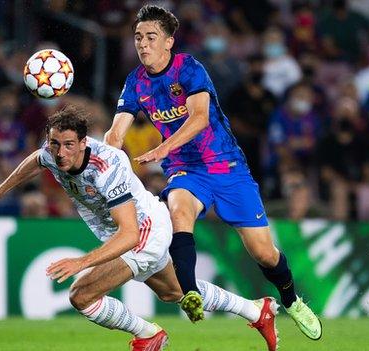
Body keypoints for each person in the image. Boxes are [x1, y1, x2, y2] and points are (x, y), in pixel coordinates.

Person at [0, 108, 279, 351]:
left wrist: (81, 262)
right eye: (55, 144)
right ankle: (257, 311)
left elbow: (130, 235)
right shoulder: (54, 153)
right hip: (129, 230)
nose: (60, 153)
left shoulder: (107, 167)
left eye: (69, 145)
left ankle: (148, 335)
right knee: (174, 292)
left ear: (83, 143)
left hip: (144, 230)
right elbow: (37, 160)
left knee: (82, 295)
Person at [104, 5, 322, 341]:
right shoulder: (135, 82)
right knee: (179, 208)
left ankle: (291, 300)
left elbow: (200, 117)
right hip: (185, 169)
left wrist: (161, 148)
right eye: (137, 38)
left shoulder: (188, 68)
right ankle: (190, 292)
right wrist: (109, 151)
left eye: (150, 37)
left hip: (226, 166)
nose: (142, 44)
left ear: (168, 41)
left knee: (264, 253)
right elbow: (116, 134)